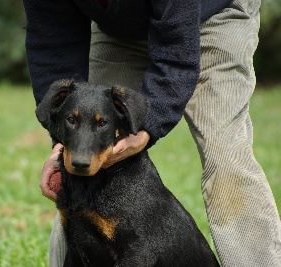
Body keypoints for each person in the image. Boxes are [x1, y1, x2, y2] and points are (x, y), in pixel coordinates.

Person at [22, 0, 281, 266]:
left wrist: (146, 128)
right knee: (82, 166)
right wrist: (61, 145)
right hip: (120, 28)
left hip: (212, 17)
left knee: (226, 158)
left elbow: (175, 59)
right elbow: (52, 45)